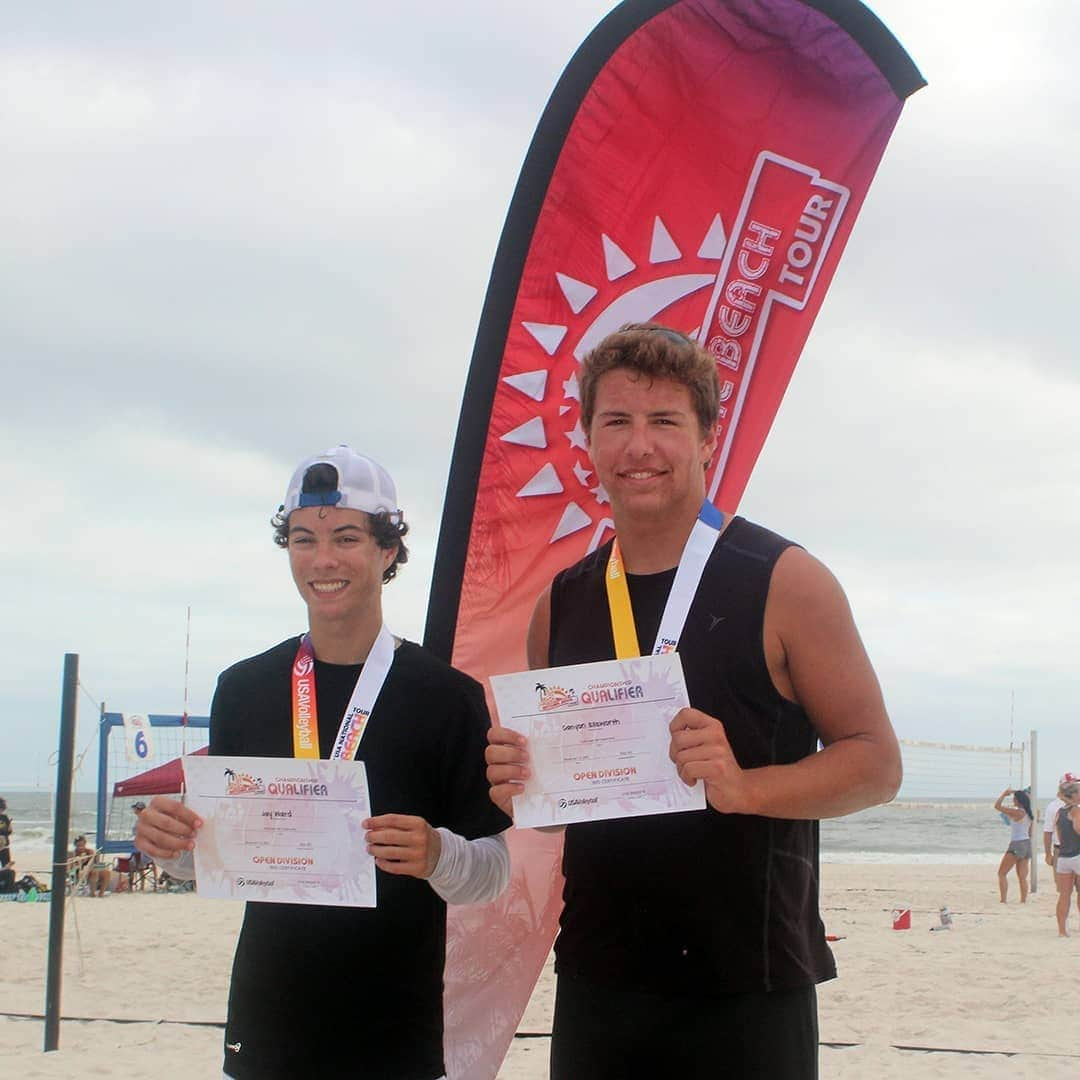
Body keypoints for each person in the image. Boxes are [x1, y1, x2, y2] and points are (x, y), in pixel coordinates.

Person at [486, 324, 902, 1080]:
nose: (639, 445)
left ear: (709, 438)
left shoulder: (785, 581)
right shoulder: (562, 603)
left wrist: (744, 787)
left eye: (665, 421)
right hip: (599, 975)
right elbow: (561, 798)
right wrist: (523, 780)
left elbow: (876, 765)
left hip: (748, 983)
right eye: (616, 421)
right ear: (586, 440)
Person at [134, 446, 511, 1080]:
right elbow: (215, 860)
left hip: (395, 1034)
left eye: (345, 537)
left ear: (387, 550)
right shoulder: (244, 688)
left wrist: (437, 854)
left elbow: (493, 873)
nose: (324, 560)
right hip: (266, 1027)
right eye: (303, 540)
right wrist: (170, 848)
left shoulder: (447, 697)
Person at [993, 787, 1033, 902]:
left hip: (1017, 844)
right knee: (1022, 877)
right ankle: (1023, 901)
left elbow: (997, 806)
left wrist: (1004, 794)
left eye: (1014, 798)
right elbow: (1030, 832)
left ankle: (1003, 900)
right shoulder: (1028, 812)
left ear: (1018, 800)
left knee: (1002, 873)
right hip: (1026, 843)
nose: (1013, 800)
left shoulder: (1017, 812)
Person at [1054, 779, 1080, 937]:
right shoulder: (1076, 810)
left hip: (1063, 857)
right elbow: (1078, 829)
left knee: (1064, 895)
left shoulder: (1060, 811)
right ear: (1075, 795)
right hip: (1078, 855)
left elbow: (1059, 834)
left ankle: (1062, 930)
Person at [0, 796, 12, 868]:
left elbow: (9, 831)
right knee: (6, 866)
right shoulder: (4, 817)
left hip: (4, 845)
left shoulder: (4, 817)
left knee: (6, 866)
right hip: (4, 845)